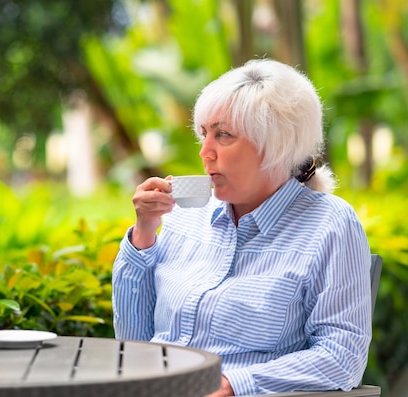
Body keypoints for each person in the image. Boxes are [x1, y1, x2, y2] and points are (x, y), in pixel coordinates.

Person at [111, 58, 372, 396]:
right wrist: (144, 233)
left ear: (277, 143)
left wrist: (236, 385)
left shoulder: (330, 225)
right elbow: (132, 344)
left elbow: (342, 357)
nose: (205, 152)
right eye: (204, 134)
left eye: (224, 135)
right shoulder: (185, 214)